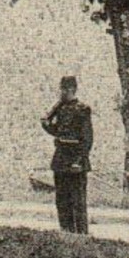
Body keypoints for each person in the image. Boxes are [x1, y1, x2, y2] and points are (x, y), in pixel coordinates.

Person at [42, 76, 93, 234]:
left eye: (63, 89)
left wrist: (79, 160)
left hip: (76, 159)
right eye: (61, 89)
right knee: (62, 200)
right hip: (61, 158)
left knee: (77, 200)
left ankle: (81, 234)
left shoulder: (83, 109)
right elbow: (57, 130)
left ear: (71, 89)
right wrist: (47, 121)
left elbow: (87, 139)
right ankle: (65, 231)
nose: (61, 93)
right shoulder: (61, 108)